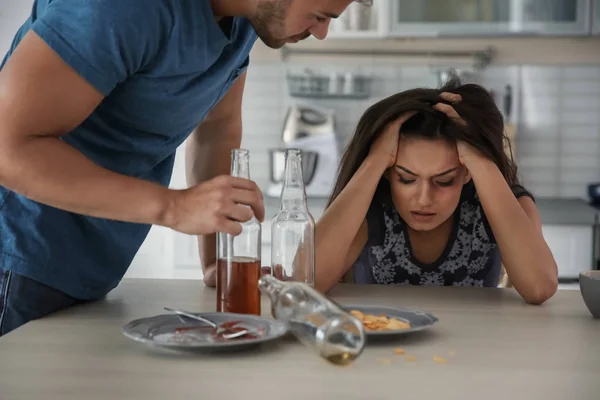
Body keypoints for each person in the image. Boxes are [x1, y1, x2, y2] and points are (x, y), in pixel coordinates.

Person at [0, 0, 370, 336]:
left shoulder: (244, 21)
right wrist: (174, 207)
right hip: (17, 256)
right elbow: (7, 147)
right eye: (321, 15)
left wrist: (216, 261)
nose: (322, 32)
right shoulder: (120, 7)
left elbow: (217, 128)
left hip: (87, 271)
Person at [314, 76, 559, 305]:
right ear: (388, 172)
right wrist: (374, 161)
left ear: (466, 172)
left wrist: (480, 159)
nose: (423, 199)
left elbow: (539, 287)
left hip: (478, 345)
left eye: (444, 181)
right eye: (406, 178)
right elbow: (307, 281)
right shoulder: (372, 205)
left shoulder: (503, 201)